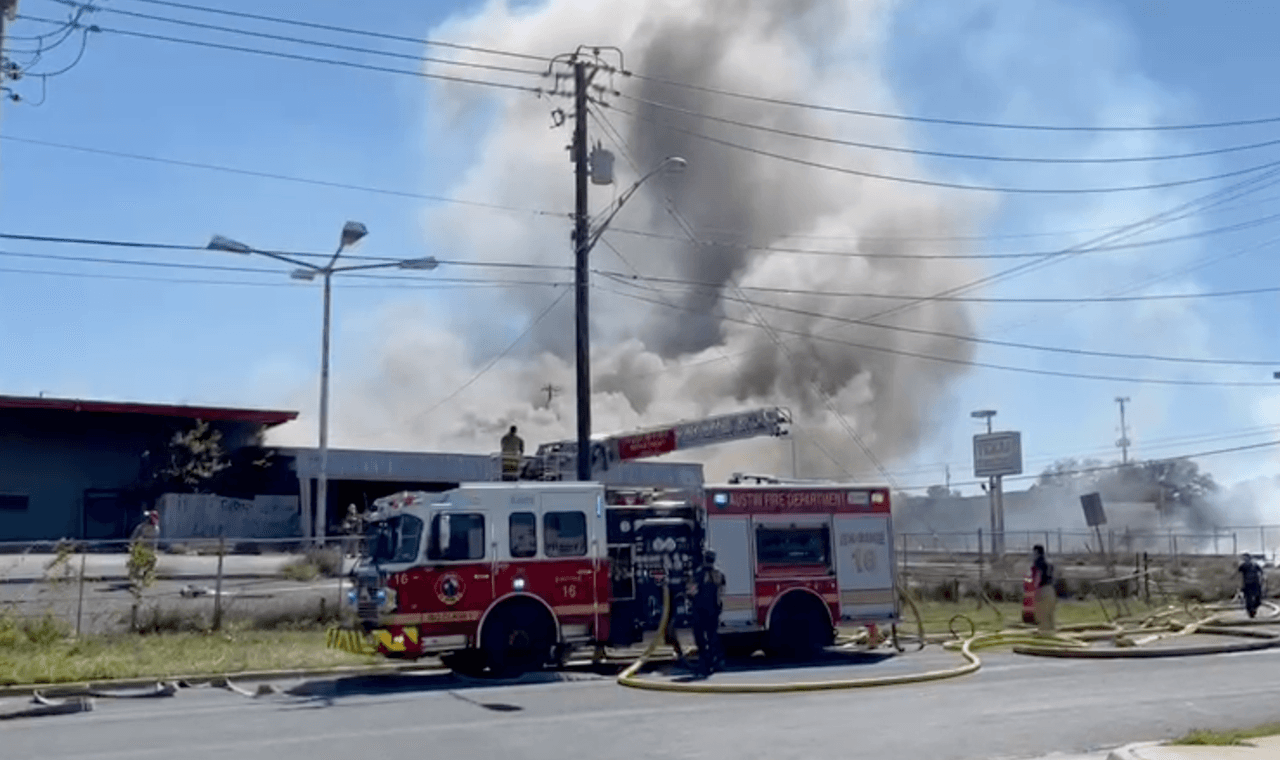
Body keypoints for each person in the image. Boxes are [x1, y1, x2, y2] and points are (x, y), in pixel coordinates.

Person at [688, 549, 726, 676]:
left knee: (700, 639)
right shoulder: (718, 575)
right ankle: (715, 662)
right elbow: (721, 593)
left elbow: (691, 592)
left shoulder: (696, 575)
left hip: (699, 611)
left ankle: (704, 664)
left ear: (704, 559)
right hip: (713, 611)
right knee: (712, 637)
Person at [1030, 544, 1056, 635]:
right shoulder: (1049, 562)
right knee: (1050, 613)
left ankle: (1044, 635)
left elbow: (1038, 575)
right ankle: (1052, 633)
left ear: (1036, 552)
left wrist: (1035, 589)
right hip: (1050, 589)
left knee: (1041, 613)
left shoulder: (1038, 561)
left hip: (1042, 589)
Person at [1239, 553, 1264, 618]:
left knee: (1255, 599)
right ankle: (1251, 610)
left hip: (1254, 583)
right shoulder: (1244, 565)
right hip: (1249, 584)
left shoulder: (1253, 565)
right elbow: (1238, 574)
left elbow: (1261, 572)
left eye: (1246, 558)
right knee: (1250, 599)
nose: (1245, 560)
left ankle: (1252, 609)